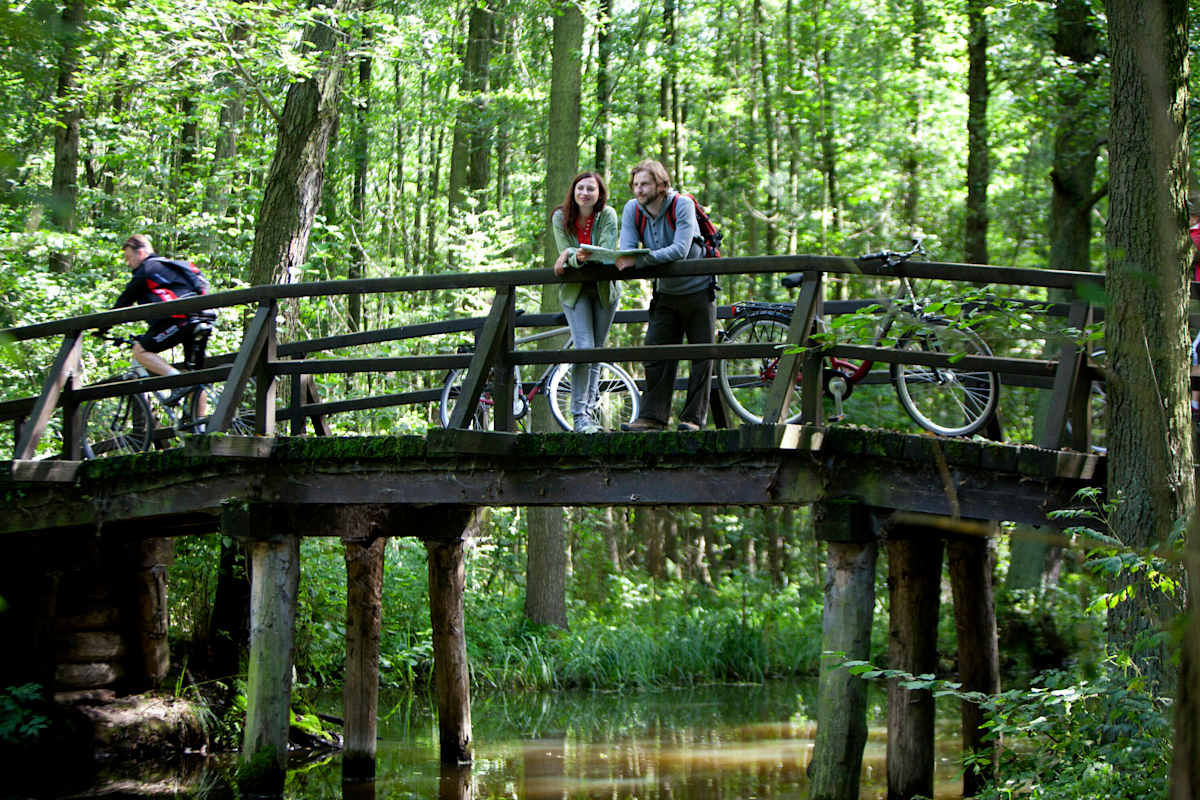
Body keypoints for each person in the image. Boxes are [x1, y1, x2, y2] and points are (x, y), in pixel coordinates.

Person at [614, 159, 715, 432]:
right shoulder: (632, 210)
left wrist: (640, 261)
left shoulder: (682, 204)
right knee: (655, 353)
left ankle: (693, 419)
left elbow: (679, 250)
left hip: (698, 289)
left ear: (661, 184)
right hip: (666, 293)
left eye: (645, 183)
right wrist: (630, 259)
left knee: (702, 356)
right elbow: (626, 251)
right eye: (635, 184)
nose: (638, 189)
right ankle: (652, 418)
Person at [550, 171, 622, 433]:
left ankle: (589, 413)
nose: (585, 193)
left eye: (591, 189)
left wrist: (572, 254)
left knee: (596, 352)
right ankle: (579, 415)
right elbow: (564, 250)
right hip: (575, 292)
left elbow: (605, 252)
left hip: (605, 291)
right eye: (580, 188)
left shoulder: (608, 216)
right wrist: (570, 254)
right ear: (573, 191)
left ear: (599, 194)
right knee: (584, 348)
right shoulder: (561, 217)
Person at [112, 234, 215, 405]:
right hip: (203, 317)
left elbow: (123, 302)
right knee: (194, 377)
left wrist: (102, 327)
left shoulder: (147, 269)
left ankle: (177, 382)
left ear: (141, 252)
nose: (128, 263)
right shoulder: (171, 267)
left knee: (139, 351)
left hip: (180, 319)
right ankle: (200, 428)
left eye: (129, 257)